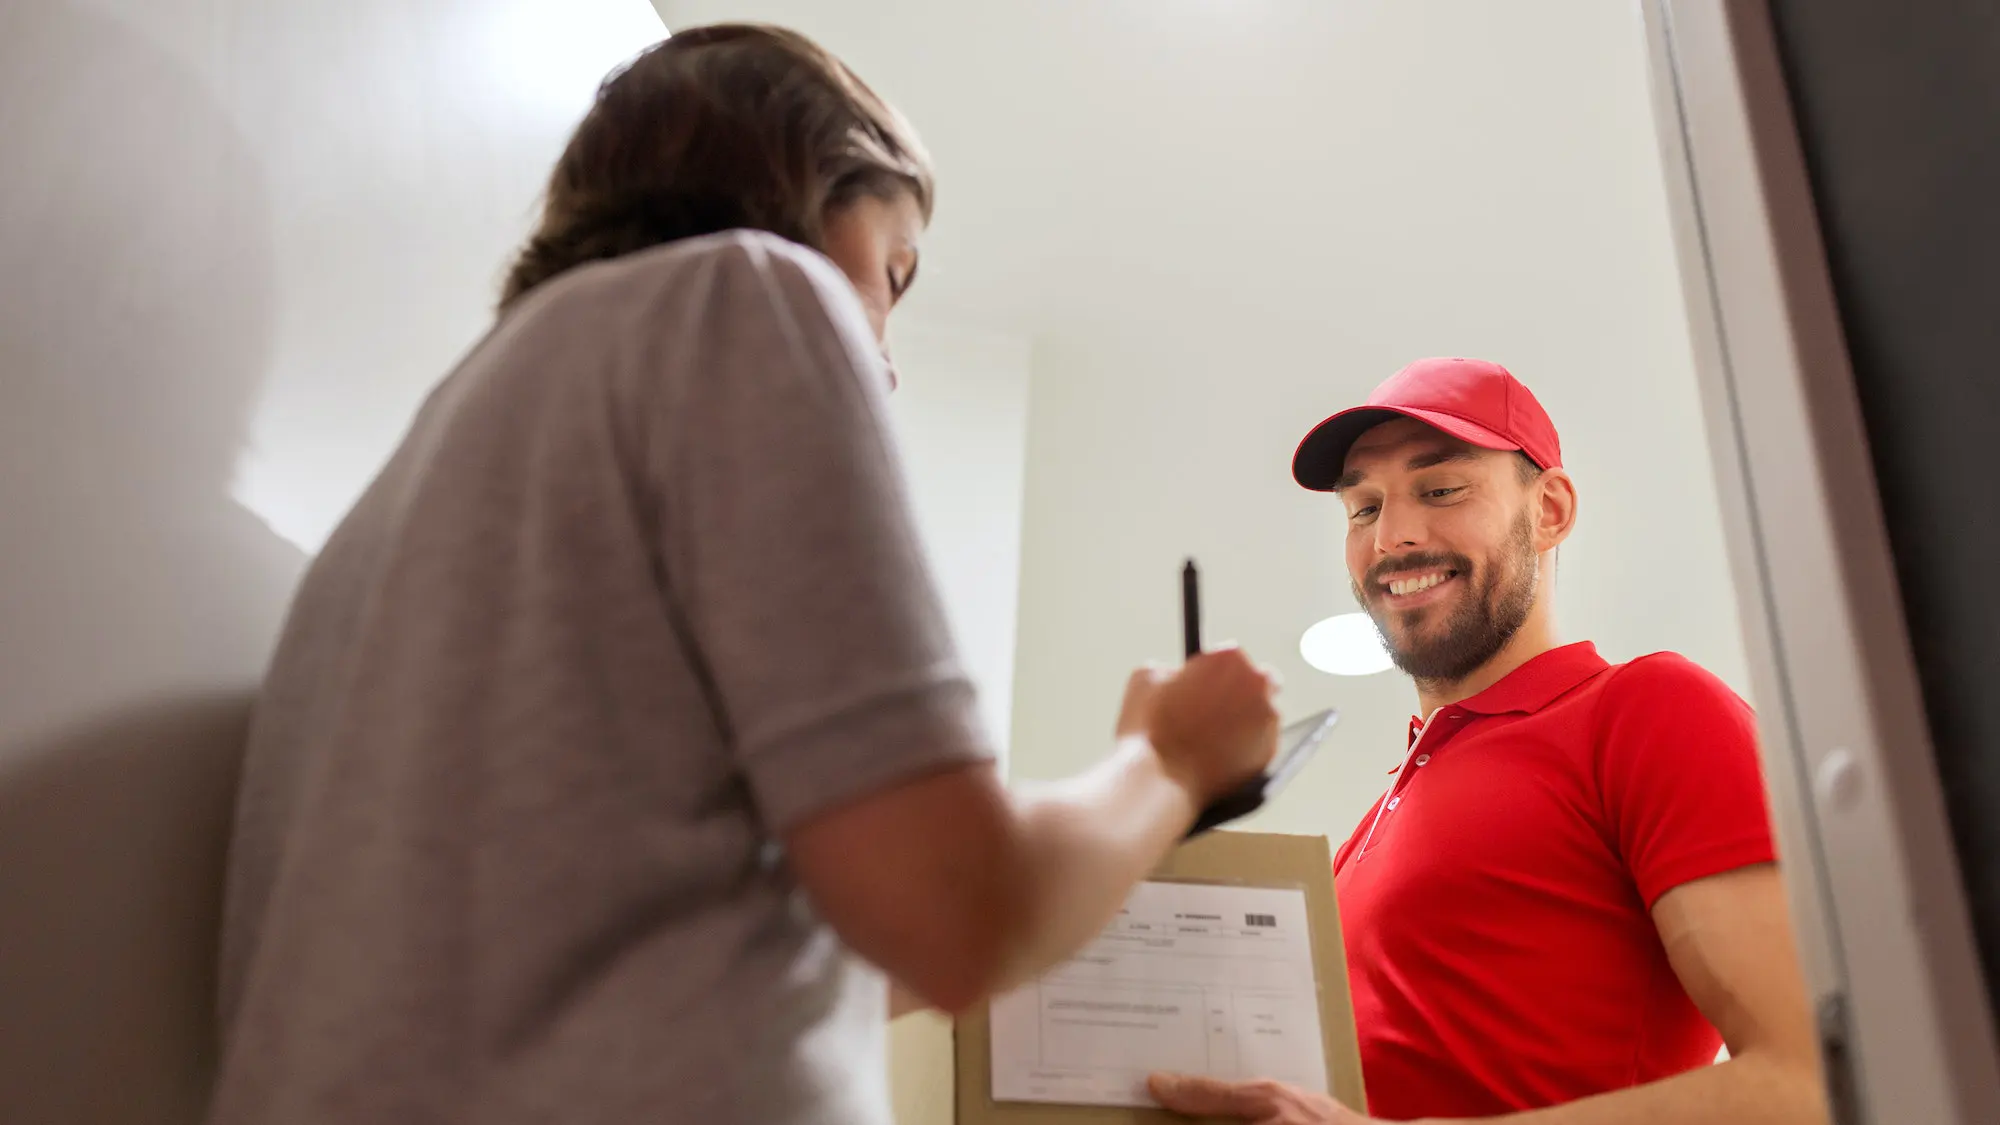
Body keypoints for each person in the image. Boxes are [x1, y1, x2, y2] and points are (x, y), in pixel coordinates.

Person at [208, 24, 1281, 1125]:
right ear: (804, 183)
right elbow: (961, 913)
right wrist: (1169, 759)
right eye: (891, 276)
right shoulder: (745, 296)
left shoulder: (396, 505)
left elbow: (719, 947)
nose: (886, 362)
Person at [1149, 358, 1827, 1124]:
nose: (1393, 536)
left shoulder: (1649, 708)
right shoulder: (1374, 821)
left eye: (1440, 490)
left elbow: (1809, 1083)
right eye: (1363, 508)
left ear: (1550, 510)